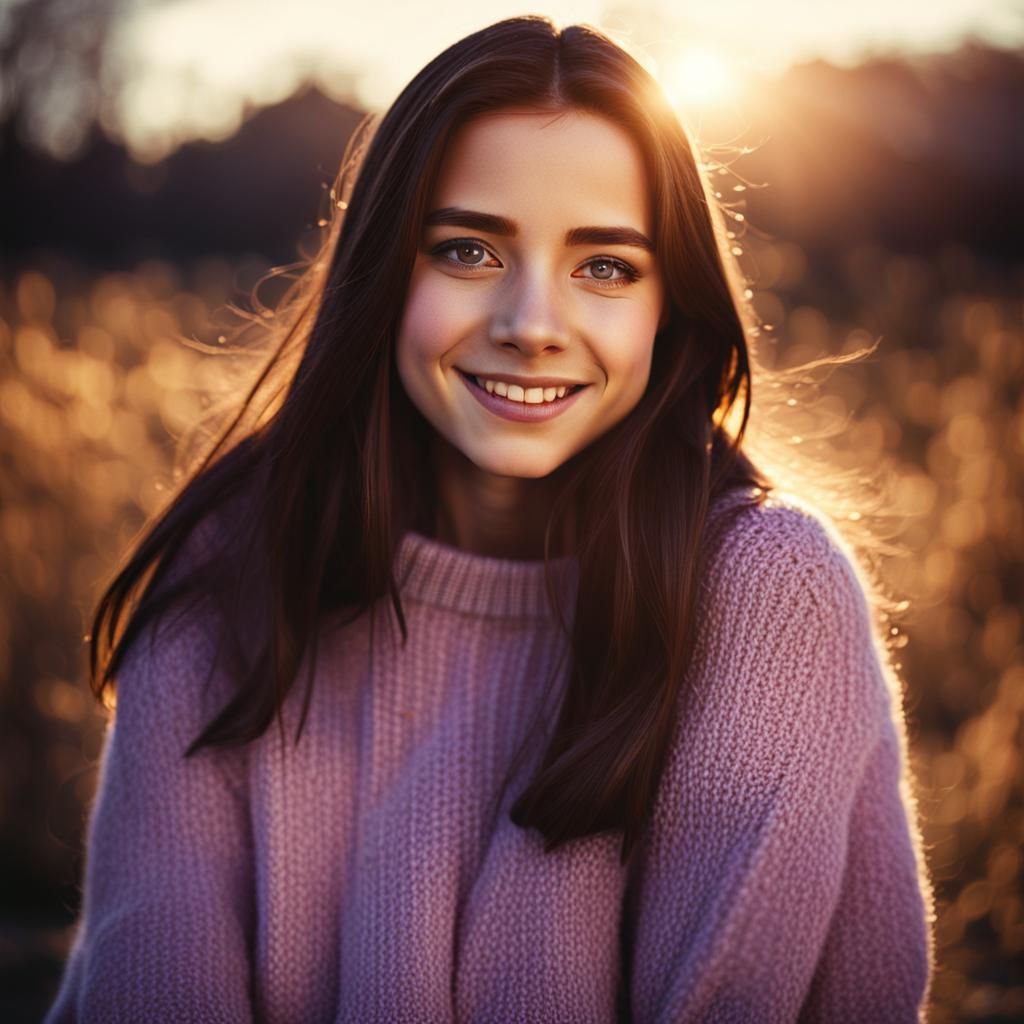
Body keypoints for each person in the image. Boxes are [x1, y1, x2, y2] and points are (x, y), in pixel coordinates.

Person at [44, 14, 935, 1023]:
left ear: (667, 305)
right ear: (385, 274)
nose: (530, 325)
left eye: (605, 266)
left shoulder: (765, 597)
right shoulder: (228, 579)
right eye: (467, 249)